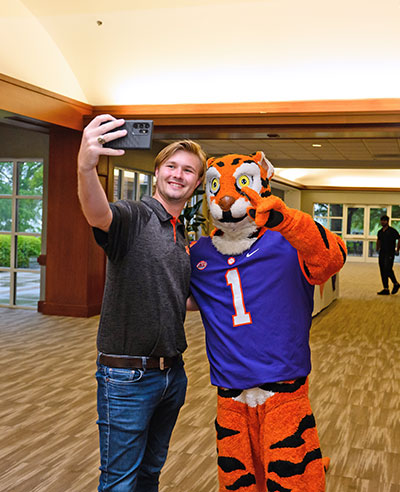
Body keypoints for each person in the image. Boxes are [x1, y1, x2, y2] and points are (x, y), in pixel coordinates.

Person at [188, 151, 346, 492]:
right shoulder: (198, 254)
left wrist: (287, 220)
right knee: (238, 476)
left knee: (292, 476)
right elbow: (177, 294)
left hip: (283, 384)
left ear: (263, 185)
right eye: (216, 186)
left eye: (242, 182)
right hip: (230, 389)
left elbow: (332, 259)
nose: (227, 197)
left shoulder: (288, 241)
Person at [77, 114, 206, 492]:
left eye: (188, 170)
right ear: (158, 172)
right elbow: (97, 213)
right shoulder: (135, 216)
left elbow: (178, 298)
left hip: (171, 375)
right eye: (171, 166)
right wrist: (87, 166)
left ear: (197, 183)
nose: (178, 175)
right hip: (128, 378)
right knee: (120, 482)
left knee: (149, 475)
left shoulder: (179, 232)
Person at [376, 214, 400, 295]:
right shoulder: (380, 232)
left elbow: (399, 238)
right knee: (382, 270)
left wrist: (397, 249)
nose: (383, 222)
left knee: (388, 269)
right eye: (382, 220)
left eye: (384, 220)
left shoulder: (392, 231)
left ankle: (396, 283)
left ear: (387, 221)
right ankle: (386, 288)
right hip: (382, 252)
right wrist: (377, 248)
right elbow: (378, 240)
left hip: (390, 252)